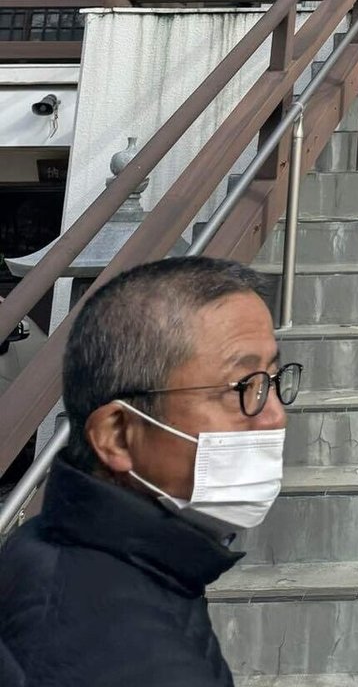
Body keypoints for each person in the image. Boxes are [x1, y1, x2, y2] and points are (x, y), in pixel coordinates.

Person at [0, 256, 301, 686]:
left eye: (270, 380)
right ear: (119, 435)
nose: (274, 415)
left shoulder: (55, 542)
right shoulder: (129, 657)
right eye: (242, 387)